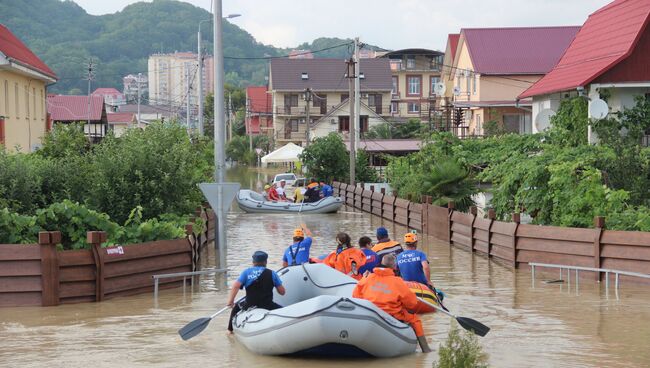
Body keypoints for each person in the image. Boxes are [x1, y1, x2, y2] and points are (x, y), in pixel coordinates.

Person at [352, 254, 431, 352]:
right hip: (391, 314)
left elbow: (356, 295)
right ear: (394, 267)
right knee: (415, 319)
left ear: (381, 263)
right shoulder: (398, 282)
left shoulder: (368, 278)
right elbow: (412, 303)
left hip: (371, 312)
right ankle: (425, 349)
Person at [227, 251, 286, 332]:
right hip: (267, 305)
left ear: (253, 262)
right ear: (265, 262)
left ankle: (230, 331)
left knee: (236, 307)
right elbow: (282, 292)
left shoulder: (246, 272)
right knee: (284, 310)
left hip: (249, 304)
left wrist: (231, 301)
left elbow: (236, 286)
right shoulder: (272, 273)